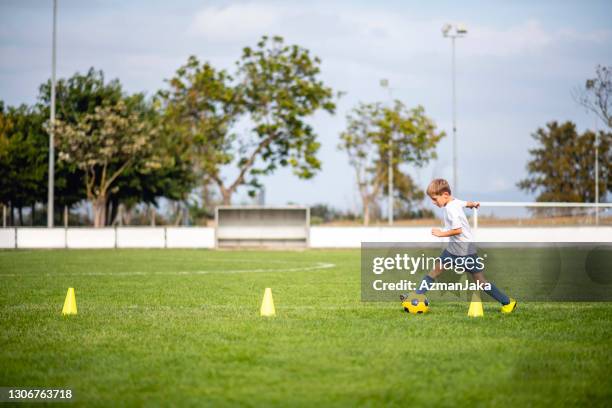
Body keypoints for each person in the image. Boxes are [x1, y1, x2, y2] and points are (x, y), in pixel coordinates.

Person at [401, 178, 517, 313]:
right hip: (454, 250)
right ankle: (417, 296)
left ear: (445, 195)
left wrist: (441, 233)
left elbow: (458, 230)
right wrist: (471, 204)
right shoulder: (454, 202)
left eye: (434, 199)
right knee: (435, 271)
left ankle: (507, 302)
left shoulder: (451, 209)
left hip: (465, 251)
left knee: (480, 282)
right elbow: (463, 203)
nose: (433, 202)